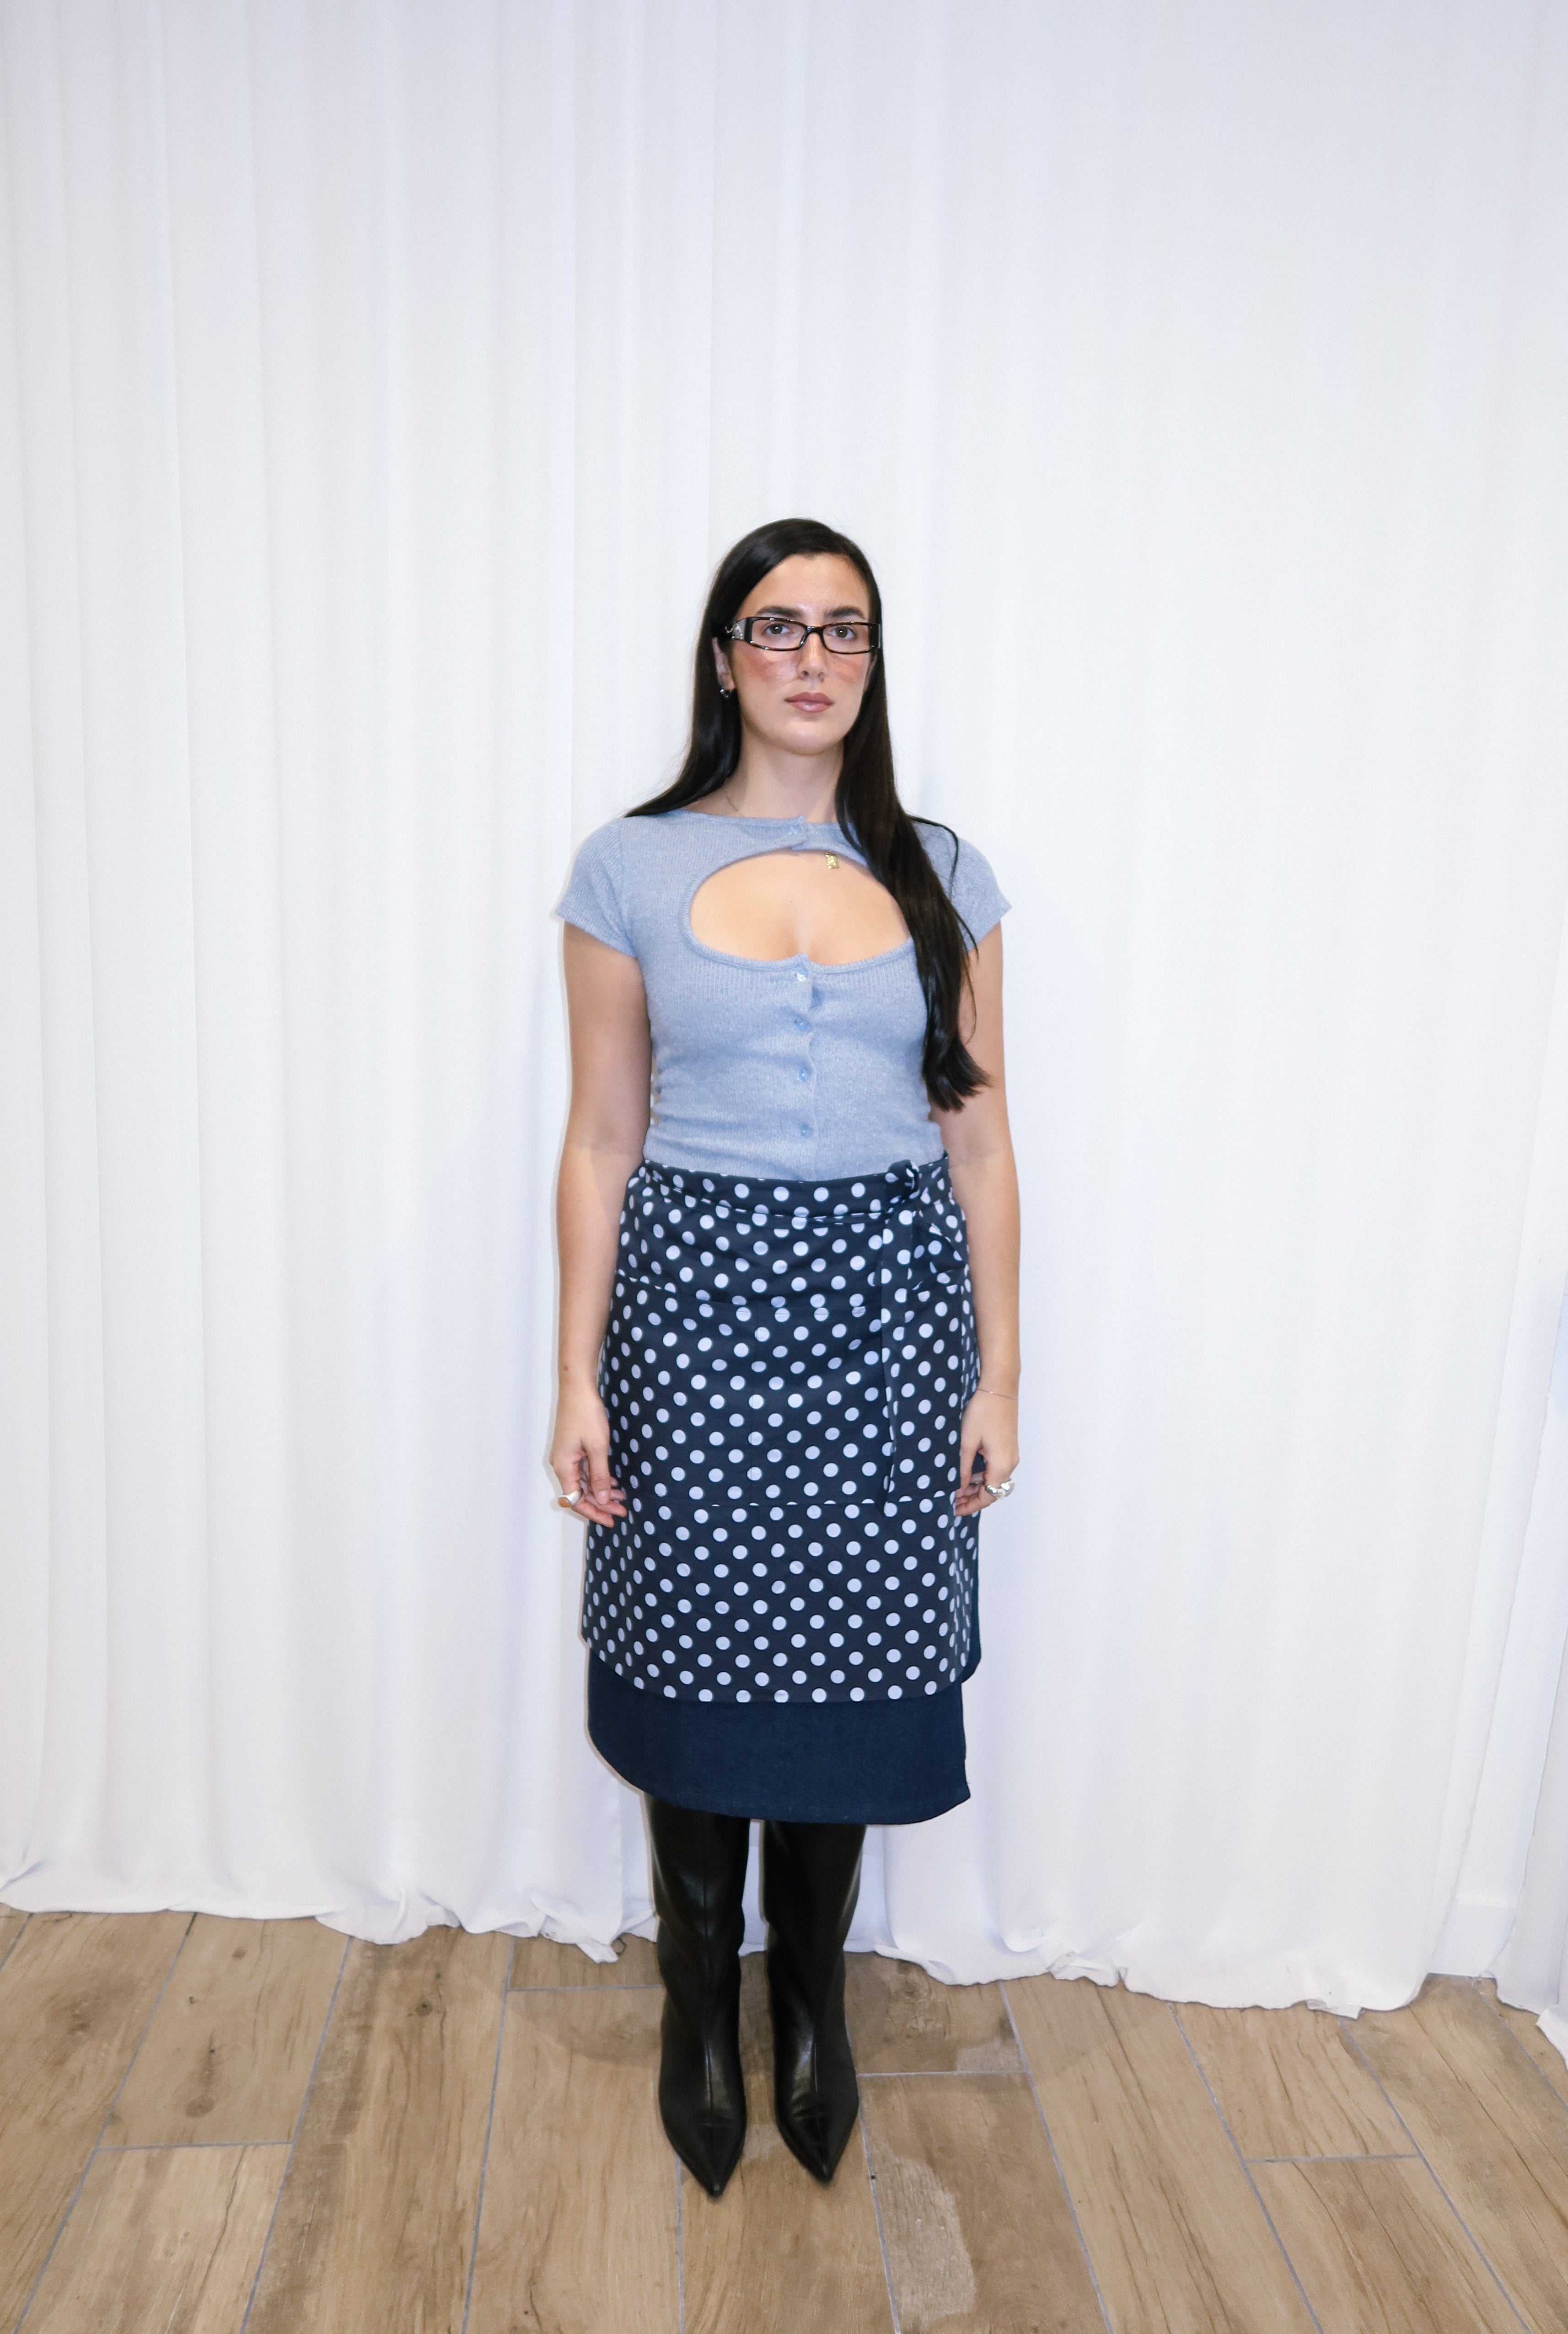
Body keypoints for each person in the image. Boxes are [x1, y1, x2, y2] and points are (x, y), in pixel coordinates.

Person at [551, 516, 1019, 2199]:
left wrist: (999, 1374)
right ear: (725, 655)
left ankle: (808, 1999)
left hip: (891, 1317)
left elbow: (979, 1145)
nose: (811, 658)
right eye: (777, 626)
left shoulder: (942, 871)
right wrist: (578, 1373)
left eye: (844, 631)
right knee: (694, 1650)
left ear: (871, 663)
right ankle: (698, 2002)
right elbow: (603, 1137)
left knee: (853, 1667)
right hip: (694, 1312)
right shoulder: (629, 867)